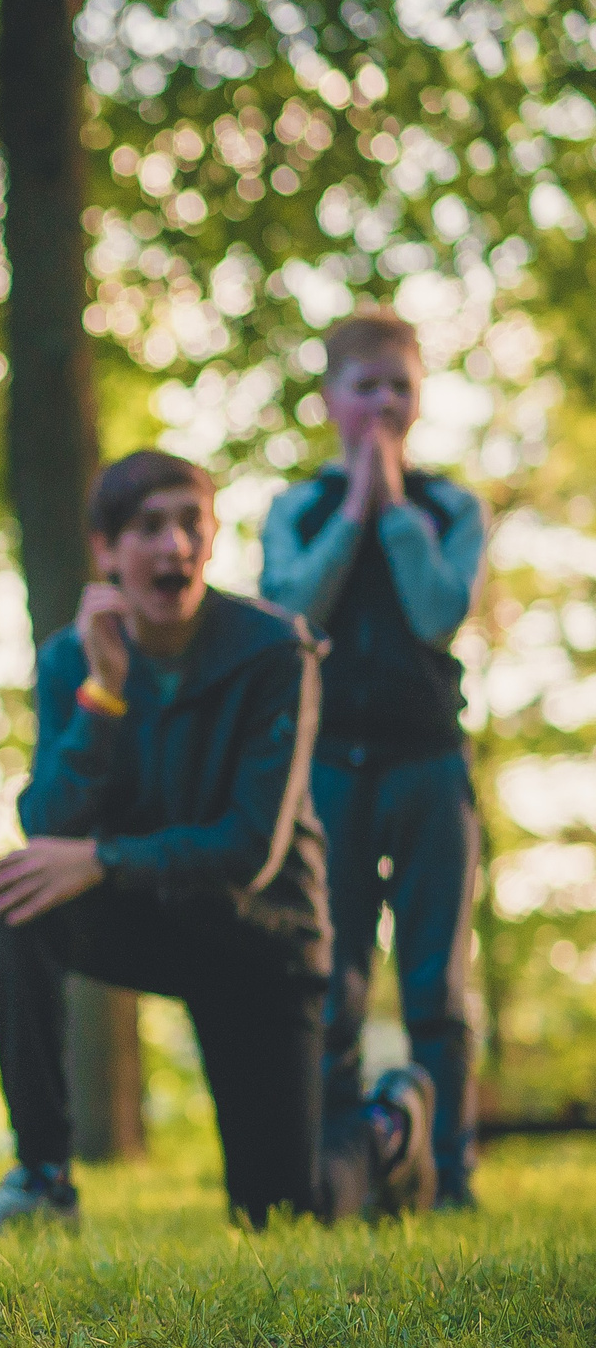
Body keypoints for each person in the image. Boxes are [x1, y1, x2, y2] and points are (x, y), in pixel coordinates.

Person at [0, 450, 434, 1237]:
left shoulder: (277, 651)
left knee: (281, 1213)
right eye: (149, 527)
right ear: (107, 549)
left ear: (210, 540)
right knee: (20, 896)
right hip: (156, 916)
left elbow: (250, 848)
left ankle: (390, 1125)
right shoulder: (71, 658)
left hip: (262, 939)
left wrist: (103, 859)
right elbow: (49, 825)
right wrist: (105, 693)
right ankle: (43, 1179)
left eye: (190, 525)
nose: (173, 545)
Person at [260, 312, 486, 1210]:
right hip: (327, 771)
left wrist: (395, 512)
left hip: (429, 764)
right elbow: (293, 613)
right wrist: (356, 507)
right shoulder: (298, 509)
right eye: (367, 386)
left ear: (421, 399)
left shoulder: (452, 508)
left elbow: (438, 613)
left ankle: (449, 1172)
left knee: (437, 982)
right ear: (331, 399)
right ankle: (340, 1165)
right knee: (333, 977)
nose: (384, 403)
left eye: (401, 386)